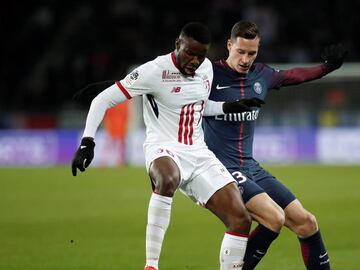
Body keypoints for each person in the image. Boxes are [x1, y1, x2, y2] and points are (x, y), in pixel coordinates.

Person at [71, 22, 265, 270]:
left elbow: (197, 106)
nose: (195, 60)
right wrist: (88, 141)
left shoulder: (206, 69)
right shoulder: (154, 71)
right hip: (163, 148)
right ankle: (151, 265)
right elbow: (102, 100)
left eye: (201, 55)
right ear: (178, 44)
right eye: (190, 53)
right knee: (167, 178)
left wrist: (227, 107)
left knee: (240, 218)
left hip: (198, 153)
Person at [203, 20, 347, 270]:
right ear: (229, 45)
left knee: (307, 222)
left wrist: (326, 68)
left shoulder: (262, 75)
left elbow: (294, 75)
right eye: (240, 51)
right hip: (220, 168)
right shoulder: (208, 74)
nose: (246, 59)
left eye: (252, 53)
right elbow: (169, 82)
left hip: (250, 167)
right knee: (273, 218)